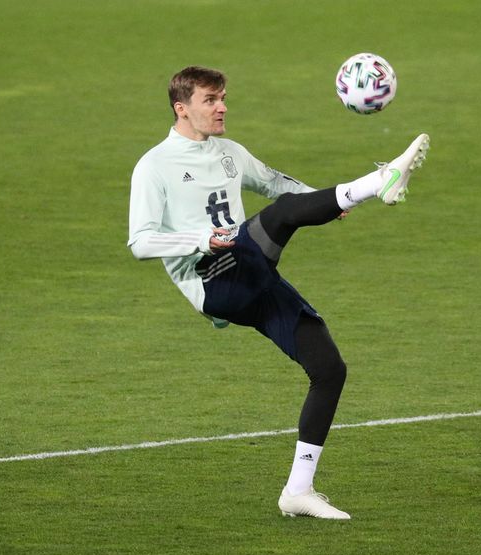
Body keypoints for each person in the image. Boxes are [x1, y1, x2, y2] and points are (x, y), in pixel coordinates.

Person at [128, 66, 430, 519]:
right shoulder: (154, 166)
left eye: (223, 97)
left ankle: (298, 491)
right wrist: (201, 240)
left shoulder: (229, 152)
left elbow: (275, 183)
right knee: (283, 215)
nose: (222, 107)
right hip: (215, 278)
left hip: (252, 271)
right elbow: (140, 242)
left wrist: (325, 201)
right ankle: (378, 182)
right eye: (210, 100)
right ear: (181, 108)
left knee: (329, 369)